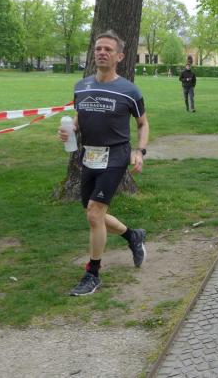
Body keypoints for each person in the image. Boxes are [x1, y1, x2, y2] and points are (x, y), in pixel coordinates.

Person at [57, 30, 149, 297]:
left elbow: (143, 124)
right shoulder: (81, 86)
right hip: (89, 155)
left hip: (116, 155)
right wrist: (70, 130)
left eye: (108, 49)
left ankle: (93, 274)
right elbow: (79, 118)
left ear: (119, 56)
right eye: (98, 48)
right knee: (91, 212)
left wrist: (140, 151)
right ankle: (132, 236)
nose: (102, 53)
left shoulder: (129, 90)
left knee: (95, 213)